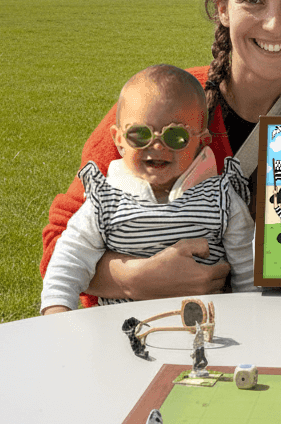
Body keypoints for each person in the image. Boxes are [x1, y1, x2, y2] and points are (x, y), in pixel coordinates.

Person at [41, 0, 281, 304]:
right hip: (140, 332)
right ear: (222, 9)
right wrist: (134, 279)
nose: (273, 22)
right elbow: (58, 243)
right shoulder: (158, 104)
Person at [40, 65, 254, 314]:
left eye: (176, 136)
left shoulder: (221, 199)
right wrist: (56, 312)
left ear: (202, 142)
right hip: (122, 330)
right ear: (118, 139)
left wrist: (251, 317)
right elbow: (69, 259)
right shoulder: (105, 201)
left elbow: (247, 270)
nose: (157, 146)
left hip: (204, 330)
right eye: (140, 134)